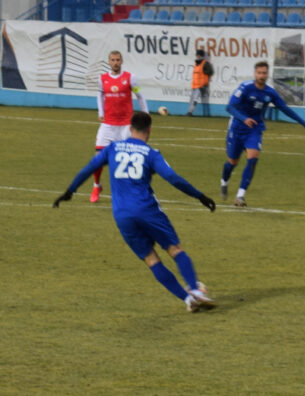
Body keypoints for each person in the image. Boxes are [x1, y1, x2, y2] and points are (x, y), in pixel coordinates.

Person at [53, 111, 218, 312]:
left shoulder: (112, 148)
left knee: (151, 259)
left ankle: (187, 299)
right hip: (147, 210)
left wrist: (70, 191)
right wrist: (200, 196)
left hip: (122, 215)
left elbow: (89, 168)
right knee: (175, 250)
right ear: (149, 130)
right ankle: (196, 290)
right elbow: (173, 178)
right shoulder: (151, 153)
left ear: (130, 129)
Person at [221, 60, 305, 207]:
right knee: (232, 162)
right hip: (237, 128)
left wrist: (304, 124)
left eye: (264, 73)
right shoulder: (245, 88)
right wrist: (243, 118)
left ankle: (240, 196)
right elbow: (230, 107)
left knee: (252, 158)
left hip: (255, 129)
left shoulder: (270, 92)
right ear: (255, 73)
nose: (262, 75)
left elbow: (285, 108)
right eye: (259, 73)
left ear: (267, 74)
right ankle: (224, 181)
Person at [93, 50, 149, 203]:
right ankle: (96, 186)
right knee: (97, 157)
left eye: (118, 59)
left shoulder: (130, 78)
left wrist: (146, 114)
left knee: (128, 160)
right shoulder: (102, 79)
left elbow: (140, 96)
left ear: (122, 61)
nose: (115, 62)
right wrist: (101, 111)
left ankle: (130, 190)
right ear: (109, 62)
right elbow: (100, 95)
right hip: (108, 125)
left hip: (126, 126)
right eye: (113, 60)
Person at [187, 49, 214, 116]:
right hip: (194, 85)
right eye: (197, 55)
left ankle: (190, 112)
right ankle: (190, 112)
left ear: (202, 56)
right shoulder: (196, 64)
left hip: (201, 86)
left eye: (199, 55)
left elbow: (210, 72)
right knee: (192, 100)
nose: (198, 56)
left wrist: (204, 83)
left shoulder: (205, 63)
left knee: (195, 100)